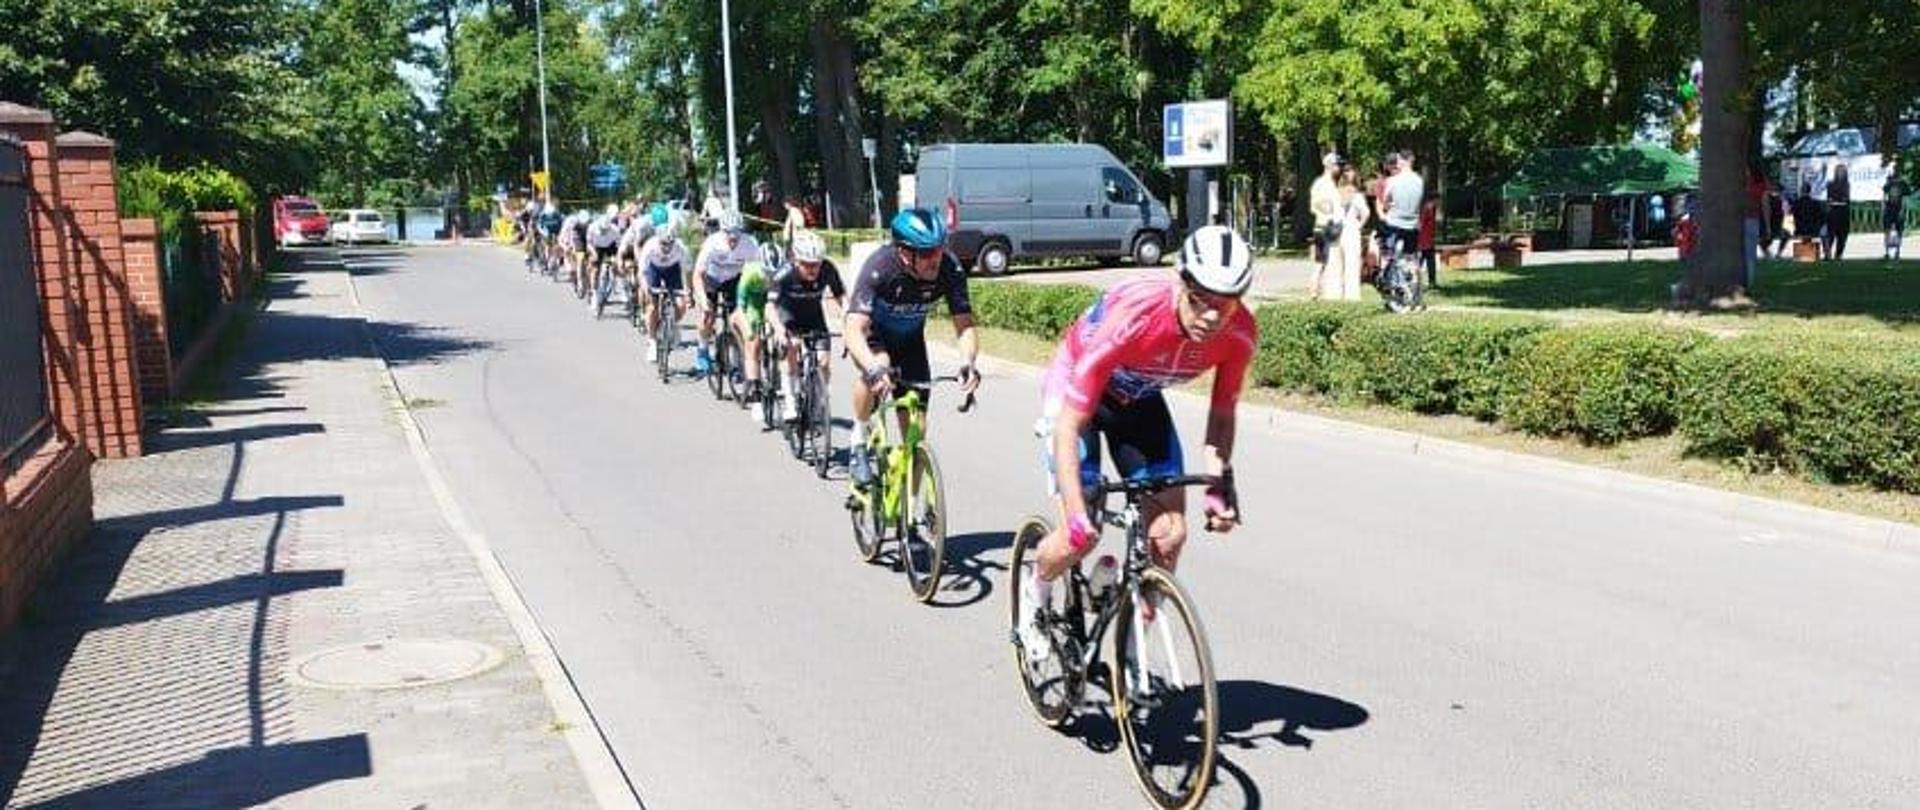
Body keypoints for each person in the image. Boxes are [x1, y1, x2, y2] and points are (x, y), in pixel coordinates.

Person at [1015, 225, 1254, 662]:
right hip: (1075, 392)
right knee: (1080, 535)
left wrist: (1219, 487)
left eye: (1227, 304)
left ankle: (1130, 649)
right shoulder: (1137, 316)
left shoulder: (1238, 334)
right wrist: (1074, 514)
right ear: (1182, 282)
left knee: (1168, 537)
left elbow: (1222, 414)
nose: (1212, 317)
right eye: (1201, 299)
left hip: (1138, 398)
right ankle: (1036, 591)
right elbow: (1068, 426)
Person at [844, 207, 981, 486]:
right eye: (928, 252)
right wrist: (871, 367)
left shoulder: (948, 267)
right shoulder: (880, 268)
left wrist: (968, 362)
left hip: (911, 343)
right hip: (875, 338)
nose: (937, 258)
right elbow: (853, 329)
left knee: (917, 434)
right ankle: (858, 439)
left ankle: (912, 510)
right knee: (878, 366)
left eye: (939, 249)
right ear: (905, 253)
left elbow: (964, 325)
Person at [768, 231, 846, 422]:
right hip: (788, 317)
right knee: (792, 347)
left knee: (823, 362)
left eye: (816, 264)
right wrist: (779, 329)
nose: (812, 269)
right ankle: (790, 400)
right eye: (807, 264)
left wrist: (848, 319)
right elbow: (769, 307)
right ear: (795, 260)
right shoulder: (784, 274)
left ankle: (818, 398)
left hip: (814, 317)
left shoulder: (828, 269)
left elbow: (841, 296)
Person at [691, 211, 764, 376]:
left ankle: (739, 359)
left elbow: (758, 272)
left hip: (734, 280)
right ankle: (702, 351)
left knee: (739, 318)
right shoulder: (712, 243)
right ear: (722, 231)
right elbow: (697, 275)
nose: (733, 237)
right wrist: (703, 300)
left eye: (737, 232)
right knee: (707, 316)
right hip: (712, 278)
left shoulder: (750, 243)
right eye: (728, 233)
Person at [638, 227, 690, 357]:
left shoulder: (681, 248)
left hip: (673, 270)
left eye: (670, 244)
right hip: (654, 270)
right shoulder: (650, 246)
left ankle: (673, 324)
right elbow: (642, 272)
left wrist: (688, 290)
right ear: (658, 240)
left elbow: (687, 272)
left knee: (681, 305)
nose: (667, 247)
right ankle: (652, 341)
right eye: (663, 244)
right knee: (652, 307)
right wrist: (645, 288)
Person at [734, 260, 775, 405]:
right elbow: (741, 308)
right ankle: (750, 366)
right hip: (752, 302)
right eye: (768, 273)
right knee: (752, 337)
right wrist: (748, 330)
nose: (770, 277)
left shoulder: (782, 275)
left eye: (774, 274)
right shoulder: (751, 274)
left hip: (771, 301)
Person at [1380, 151, 1424, 265]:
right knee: (1411, 256)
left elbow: (1385, 202)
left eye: (1398, 160)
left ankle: (1387, 272)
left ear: (1403, 161)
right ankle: (1413, 277)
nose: (1396, 163)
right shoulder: (1419, 180)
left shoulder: (1392, 180)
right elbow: (1419, 203)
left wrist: (1388, 206)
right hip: (1412, 225)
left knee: (1388, 254)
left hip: (1394, 224)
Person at [1308, 152, 1342, 298]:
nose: (1339, 168)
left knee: (1321, 261)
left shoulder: (1324, 183)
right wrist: (1328, 211)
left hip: (1322, 226)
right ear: (1329, 166)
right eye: (1337, 165)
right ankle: (1320, 290)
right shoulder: (1324, 184)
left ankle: (1315, 290)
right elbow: (1315, 205)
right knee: (1327, 261)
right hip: (1327, 226)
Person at [1332, 167, 1369, 300]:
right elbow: (1366, 213)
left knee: (1336, 265)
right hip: (1351, 231)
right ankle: (1352, 295)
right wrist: (1359, 225)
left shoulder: (1335, 194)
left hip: (1335, 231)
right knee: (1352, 265)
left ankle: (1335, 294)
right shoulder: (1357, 196)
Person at [1883, 157, 1908, 261]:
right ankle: (1887, 252)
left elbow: (1905, 198)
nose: (1896, 171)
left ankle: (1897, 252)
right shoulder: (1889, 181)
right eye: (1895, 168)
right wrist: (1883, 207)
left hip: (1899, 208)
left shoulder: (1903, 183)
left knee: (1899, 231)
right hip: (1889, 209)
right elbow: (1884, 195)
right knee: (1887, 230)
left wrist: (1903, 209)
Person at [1825, 163, 1851, 260]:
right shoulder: (1830, 184)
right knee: (1831, 234)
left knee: (1842, 235)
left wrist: (1840, 200)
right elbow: (1830, 198)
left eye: (1843, 172)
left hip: (1843, 211)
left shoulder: (1847, 184)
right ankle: (1828, 254)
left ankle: (1838, 255)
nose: (1841, 173)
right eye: (1839, 171)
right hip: (1833, 211)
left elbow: (1846, 199)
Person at [1418, 192, 1440, 289]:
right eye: (1438, 200)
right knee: (1418, 263)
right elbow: (1420, 224)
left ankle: (1432, 282)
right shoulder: (1426, 209)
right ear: (1434, 200)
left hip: (1429, 241)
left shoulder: (1431, 210)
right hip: (1422, 242)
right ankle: (1414, 282)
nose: (1439, 203)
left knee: (1431, 263)